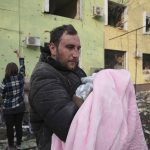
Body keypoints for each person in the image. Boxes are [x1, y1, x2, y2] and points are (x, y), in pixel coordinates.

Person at [29, 24, 86, 150]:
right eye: (70, 47)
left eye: (78, 48)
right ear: (53, 48)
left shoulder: (74, 69)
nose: (76, 54)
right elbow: (70, 126)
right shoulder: (43, 76)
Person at [0, 50, 25, 150]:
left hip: (8, 109)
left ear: (7, 70)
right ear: (16, 69)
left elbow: (0, 94)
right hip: (20, 107)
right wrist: (19, 56)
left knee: (9, 128)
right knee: (19, 126)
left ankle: (11, 146)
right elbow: (22, 67)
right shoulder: (20, 77)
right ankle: (18, 144)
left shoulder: (5, 81)